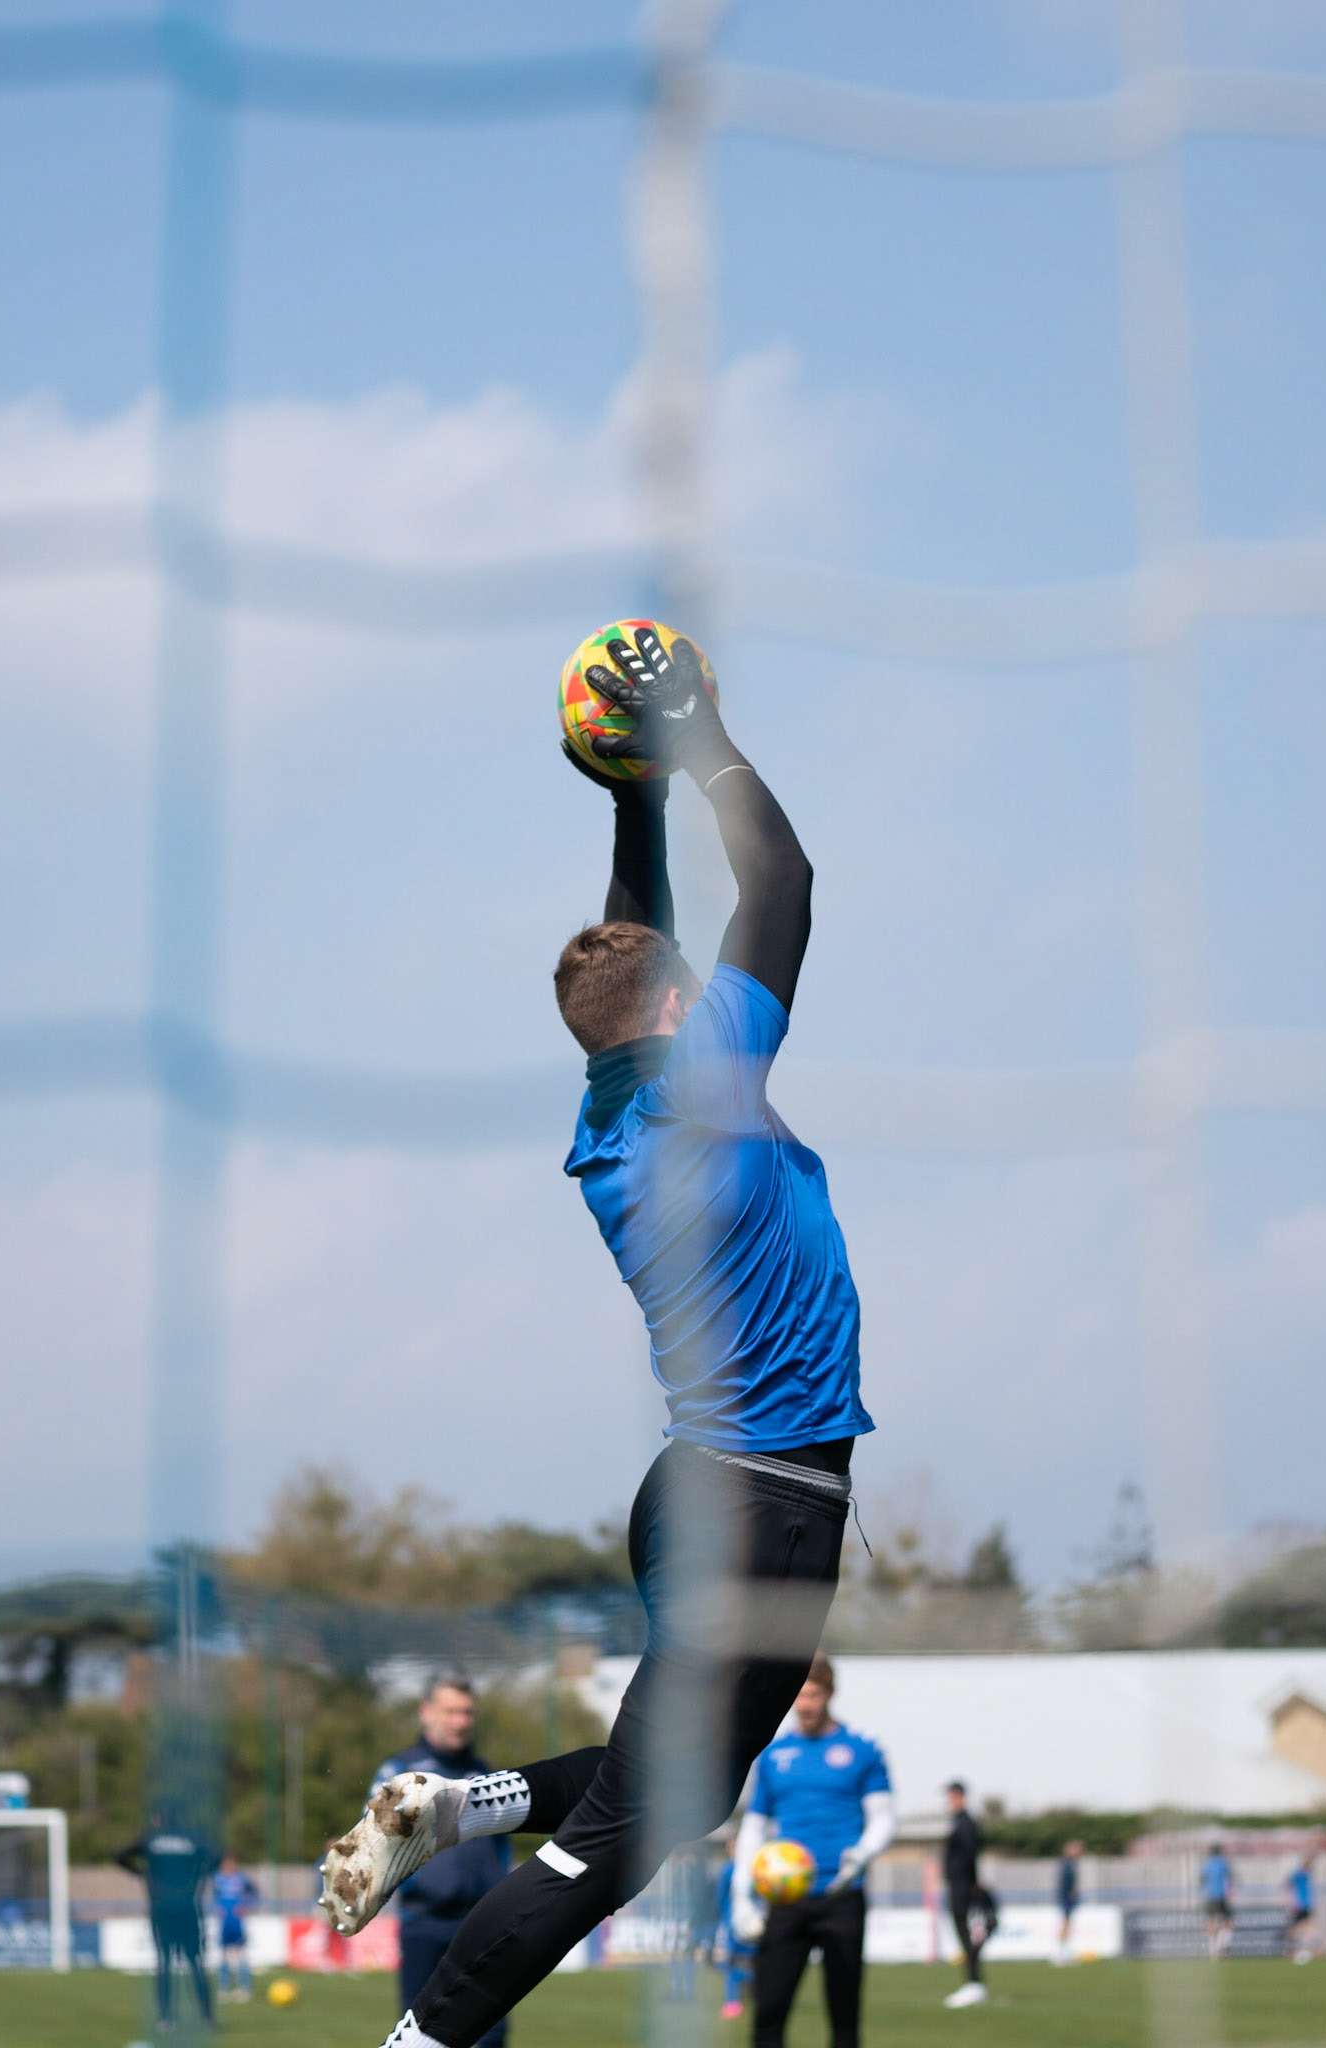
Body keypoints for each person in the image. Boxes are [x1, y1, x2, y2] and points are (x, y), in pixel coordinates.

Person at [320, 626, 873, 2048]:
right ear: (680, 1011)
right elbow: (785, 884)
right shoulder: (706, 1087)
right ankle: (420, 2039)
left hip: (693, 1492)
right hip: (766, 1506)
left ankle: (463, 1806)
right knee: (616, 1845)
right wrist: (700, 740)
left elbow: (632, 940)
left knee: (678, 1792)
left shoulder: (611, 1112)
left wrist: (632, 793)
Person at [730, 1654, 893, 2048]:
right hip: (786, 1899)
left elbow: (883, 1819)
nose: (805, 1704)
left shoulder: (863, 1749)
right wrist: (741, 1897)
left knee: (844, 2018)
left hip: (842, 1896)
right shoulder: (773, 1754)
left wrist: (862, 1855)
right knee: (767, 2014)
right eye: (799, 1696)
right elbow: (753, 1827)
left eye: (814, 1695)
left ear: (830, 1694)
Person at [367, 1673, 511, 2036]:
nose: (460, 1722)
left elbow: (501, 1845)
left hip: (482, 1925)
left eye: (467, 1712)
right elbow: (372, 1839)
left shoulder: (485, 1773)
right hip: (424, 1923)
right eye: (451, 1712)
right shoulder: (400, 1772)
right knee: (418, 2034)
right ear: (426, 1712)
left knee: (492, 2034)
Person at [116, 1806, 218, 2030]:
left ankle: (165, 2018)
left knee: (164, 1962)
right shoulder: (192, 1838)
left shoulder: (151, 1839)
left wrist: (142, 1873)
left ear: (157, 1818)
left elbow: (119, 1855)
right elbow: (217, 1857)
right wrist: (198, 1875)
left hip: (161, 1908)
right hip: (188, 1907)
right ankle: (207, 2017)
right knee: (196, 1963)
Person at [942, 1781, 987, 2009]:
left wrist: (971, 1882)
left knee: (965, 1930)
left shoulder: (965, 1823)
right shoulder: (958, 1821)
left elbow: (970, 1854)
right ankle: (973, 1981)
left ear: (958, 1796)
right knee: (962, 1931)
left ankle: (974, 1982)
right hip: (959, 1883)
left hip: (962, 1884)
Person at [715, 1839, 755, 2019]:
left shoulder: (729, 1870)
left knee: (732, 1963)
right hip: (747, 1922)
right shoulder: (752, 1868)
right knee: (747, 1962)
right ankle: (743, 1997)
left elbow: (720, 1898)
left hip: (738, 1923)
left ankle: (733, 2002)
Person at [212, 1854, 259, 2002]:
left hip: (237, 1923)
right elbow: (214, 1896)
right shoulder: (217, 1878)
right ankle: (224, 1988)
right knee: (223, 1955)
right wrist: (216, 1907)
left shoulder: (241, 1878)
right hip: (224, 1923)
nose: (228, 1866)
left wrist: (248, 1906)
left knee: (241, 1955)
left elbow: (254, 1892)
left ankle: (244, 1987)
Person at [1201, 1842, 1232, 1958]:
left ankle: (1212, 1948)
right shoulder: (1223, 1862)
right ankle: (1222, 1944)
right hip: (1221, 1896)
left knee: (1211, 1921)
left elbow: (1202, 1880)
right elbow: (1230, 1878)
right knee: (1228, 1922)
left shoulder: (1206, 1864)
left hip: (1209, 1896)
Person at [1053, 1838, 1082, 1965]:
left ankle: (1064, 1953)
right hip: (1065, 1899)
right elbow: (1064, 1883)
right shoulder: (1066, 1864)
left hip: (1069, 1899)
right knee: (1065, 1924)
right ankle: (1059, 1954)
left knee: (1068, 1925)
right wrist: (1069, 1893)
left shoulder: (1073, 1864)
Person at [1284, 1854, 1315, 1965]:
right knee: (1296, 1928)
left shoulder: (1302, 1873)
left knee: (1304, 1927)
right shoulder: (1301, 1874)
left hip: (1304, 1904)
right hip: (1300, 1904)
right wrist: (1290, 1902)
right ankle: (1291, 1949)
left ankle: (1298, 1949)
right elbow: (1289, 1886)